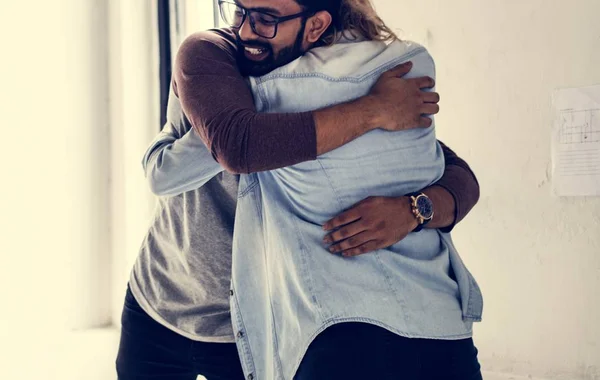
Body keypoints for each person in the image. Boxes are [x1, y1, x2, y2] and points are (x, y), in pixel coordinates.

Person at [115, 2, 481, 380]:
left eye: (266, 19)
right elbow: (226, 150)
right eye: (238, 10)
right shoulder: (210, 54)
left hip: (253, 325)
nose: (245, 30)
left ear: (315, 25)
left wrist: (413, 211)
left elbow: (457, 175)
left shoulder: (330, 84)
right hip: (160, 301)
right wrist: (370, 110)